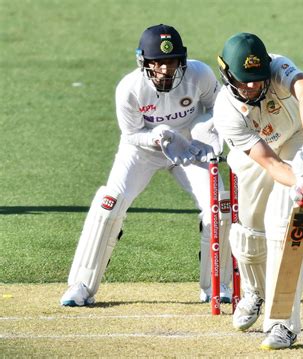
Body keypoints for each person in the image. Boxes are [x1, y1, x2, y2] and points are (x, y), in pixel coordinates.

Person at [60, 24, 233, 307]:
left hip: (189, 148)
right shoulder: (129, 88)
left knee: (218, 208)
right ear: (144, 62)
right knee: (110, 203)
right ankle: (81, 285)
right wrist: (156, 137)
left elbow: (221, 107)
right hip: (143, 149)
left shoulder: (200, 74)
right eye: (159, 62)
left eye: (172, 61)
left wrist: (203, 132)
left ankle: (218, 284)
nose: (166, 69)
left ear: (182, 60)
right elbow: (130, 134)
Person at [213, 32, 303, 350]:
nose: (253, 86)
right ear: (227, 74)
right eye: (244, 81)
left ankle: (282, 324)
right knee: (249, 234)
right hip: (257, 155)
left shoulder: (278, 68)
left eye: (258, 78)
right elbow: (271, 165)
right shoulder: (226, 111)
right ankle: (254, 292)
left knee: (283, 225)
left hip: (296, 140)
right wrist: (301, 181)